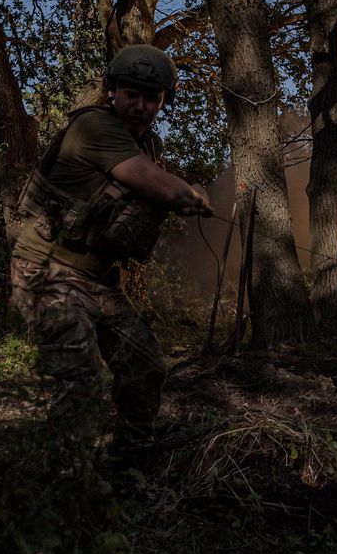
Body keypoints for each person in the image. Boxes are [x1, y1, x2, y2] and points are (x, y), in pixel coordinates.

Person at [11, 45, 212, 481]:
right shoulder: (95, 126)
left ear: (163, 101)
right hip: (48, 270)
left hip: (99, 277)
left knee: (145, 367)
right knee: (81, 382)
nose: (140, 105)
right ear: (112, 91)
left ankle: (128, 463)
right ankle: (65, 485)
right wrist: (190, 193)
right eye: (131, 94)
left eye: (151, 97)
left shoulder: (145, 143)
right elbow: (159, 186)